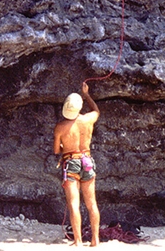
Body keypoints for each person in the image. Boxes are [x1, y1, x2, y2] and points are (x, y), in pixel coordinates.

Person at [54, 82, 100, 247]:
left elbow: (56, 150)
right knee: (91, 203)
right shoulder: (88, 120)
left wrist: (63, 146)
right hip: (87, 161)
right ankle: (95, 240)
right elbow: (96, 111)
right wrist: (87, 95)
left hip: (71, 162)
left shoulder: (60, 126)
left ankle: (78, 241)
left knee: (74, 203)